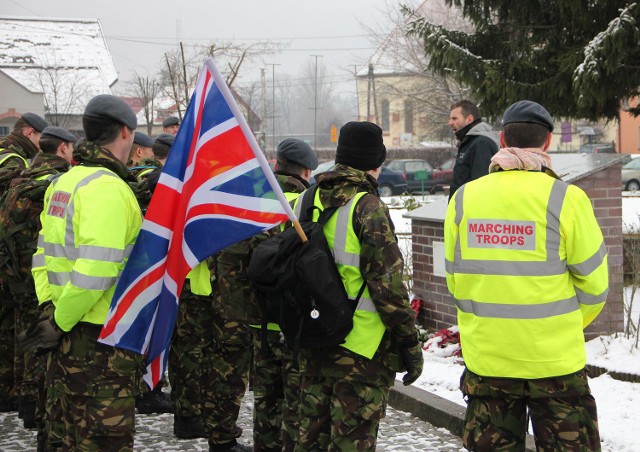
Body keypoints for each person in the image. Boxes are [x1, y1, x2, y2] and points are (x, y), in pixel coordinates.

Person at [444, 100, 608, 451]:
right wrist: (558, 325)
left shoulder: (463, 199)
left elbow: (455, 281)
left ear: (502, 139)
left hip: (488, 361)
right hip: (555, 364)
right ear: (547, 142)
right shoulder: (568, 200)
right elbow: (595, 287)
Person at [294, 121, 423, 450]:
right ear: (376, 163)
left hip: (312, 339)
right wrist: (409, 347)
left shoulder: (305, 201)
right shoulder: (368, 208)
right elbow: (390, 291)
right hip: (360, 351)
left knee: (310, 438)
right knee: (351, 441)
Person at [26, 94, 144, 451]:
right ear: (126, 132)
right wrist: (61, 319)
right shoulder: (108, 188)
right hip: (98, 338)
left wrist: (51, 310)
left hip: (63, 329)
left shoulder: (64, 181)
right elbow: (96, 269)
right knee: (100, 438)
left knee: (66, 432)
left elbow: (42, 255)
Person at [217, 138, 318, 451]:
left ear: (276, 166)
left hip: (259, 323)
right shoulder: (308, 205)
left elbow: (231, 262)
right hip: (296, 326)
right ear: (306, 170)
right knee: (297, 402)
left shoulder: (253, 205)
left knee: (266, 400)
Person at [0, 126, 74, 446]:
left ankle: (21, 400)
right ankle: (34, 408)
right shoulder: (56, 183)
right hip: (40, 276)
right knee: (41, 347)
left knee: (22, 340)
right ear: (63, 149)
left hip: (12, 272)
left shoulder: (20, 178)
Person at [0, 112, 48, 413]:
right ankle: (18, 392)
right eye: (39, 139)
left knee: (7, 325)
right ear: (29, 132)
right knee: (18, 321)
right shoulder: (12, 161)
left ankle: (7, 391)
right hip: (10, 252)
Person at [448, 100, 498, 199]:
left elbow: (481, 186)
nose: (450, 123)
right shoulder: (470, 142)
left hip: (471, 212)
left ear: (469, 119)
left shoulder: (481, 144)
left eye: (454, 118)